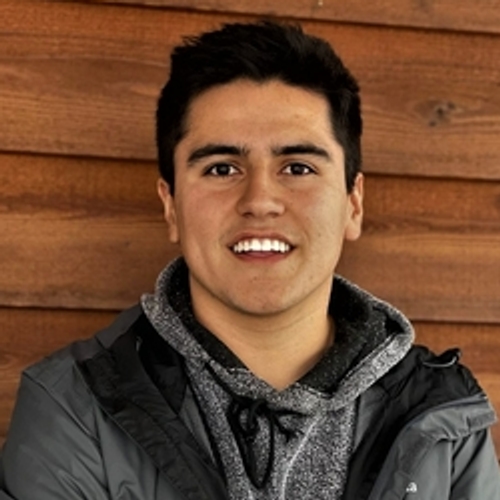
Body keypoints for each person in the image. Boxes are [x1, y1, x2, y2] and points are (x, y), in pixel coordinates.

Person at [1, 20, 499, 500]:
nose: (260, 200)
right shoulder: (74, 405)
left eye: (298, 167)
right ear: (171, 205)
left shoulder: (446, 416)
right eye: (222, 168)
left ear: (353, 203)